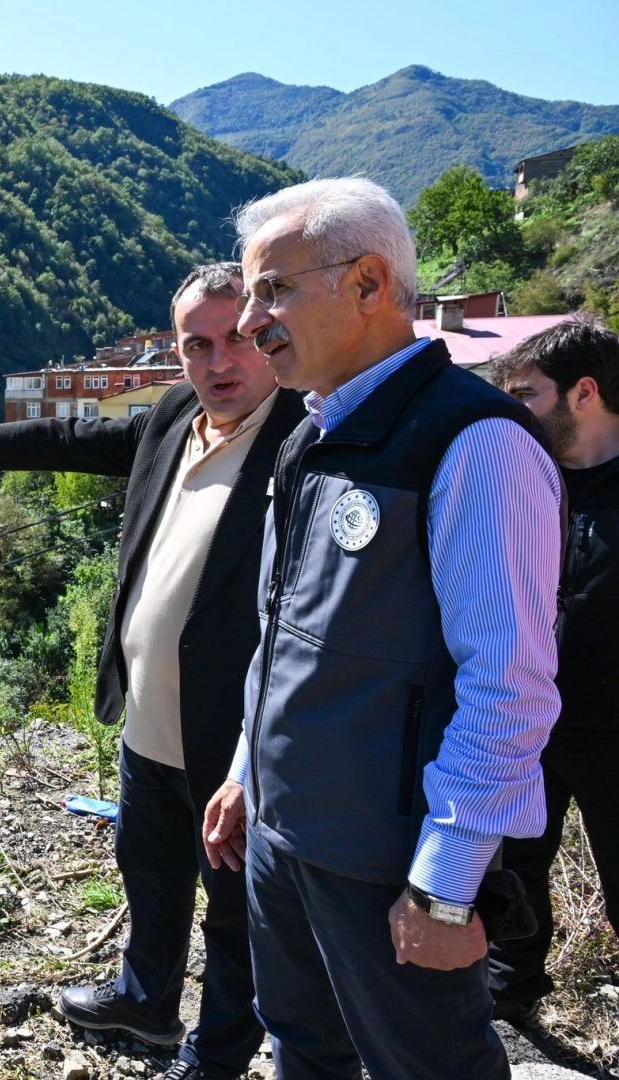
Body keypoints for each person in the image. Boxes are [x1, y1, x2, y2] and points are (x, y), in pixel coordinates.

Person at [0, 263, 306, 1080]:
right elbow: (65, 439)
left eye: (238, 339)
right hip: (148, 721)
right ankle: (145, 1003)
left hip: (235, 740)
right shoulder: (176, 415)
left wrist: (259, 757)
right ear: (178, 353)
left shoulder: (301, 443)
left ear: (266, 331)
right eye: (197, 345)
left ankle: (215, 1057)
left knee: (238, 916)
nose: (220, 363)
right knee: (150, 874)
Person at [199, 177, 562, 1080]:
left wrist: (443, 886)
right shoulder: (310, 435)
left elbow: (508, 686)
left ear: (367, 284)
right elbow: (282, 630)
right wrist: (251, 769)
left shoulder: (475, 443)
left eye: (274, 289)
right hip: (288, 837)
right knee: (303, 1046)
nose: (249, 322)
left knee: (428, 1066)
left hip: (388, 859)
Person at [487, 319, 619, 1023]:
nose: (512, 413)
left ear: (584, 392)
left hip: (613, 733)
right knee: (510, 871)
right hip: (528, 722)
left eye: (525, 396)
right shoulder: (521, 483)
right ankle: (509, 994)